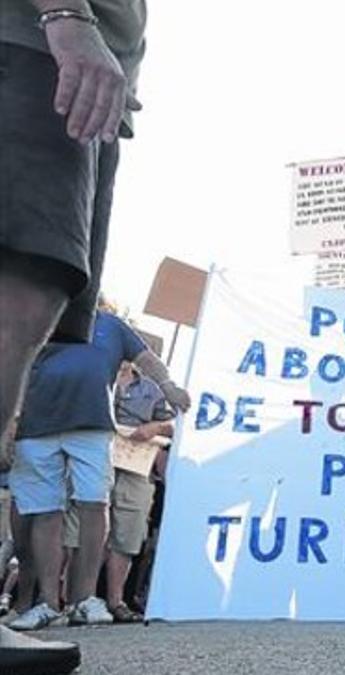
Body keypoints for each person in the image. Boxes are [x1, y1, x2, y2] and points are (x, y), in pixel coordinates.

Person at [1, 1, 148, 671]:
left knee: (25, 310)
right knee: (15, 303)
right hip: (40, 54)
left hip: (76, 74)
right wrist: (65, 15)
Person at [7, 308, 188, 631]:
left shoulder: (112, 324)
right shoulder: (40, 309)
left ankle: (85, 599)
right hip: (36, 426)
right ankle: (48, 603)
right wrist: (9, 421)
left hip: (92, 425)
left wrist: (168, 386)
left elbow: (147, 359)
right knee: (46, 510)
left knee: (95, 503)